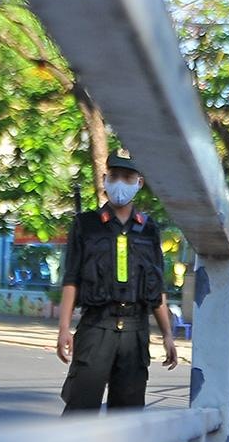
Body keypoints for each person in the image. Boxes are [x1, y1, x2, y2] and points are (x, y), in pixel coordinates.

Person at [55, 151, 179, 412]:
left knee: (128, 418)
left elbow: (156, 288)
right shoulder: (86, 224)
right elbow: (71, 279)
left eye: (127, 176)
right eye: (115, 176)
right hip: (96, 327)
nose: (120, 182)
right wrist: (64, 328)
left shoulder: (149, 228)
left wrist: (167, 334)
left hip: (135, 333)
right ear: (104, 178)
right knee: (81, 411)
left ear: (139, 182)